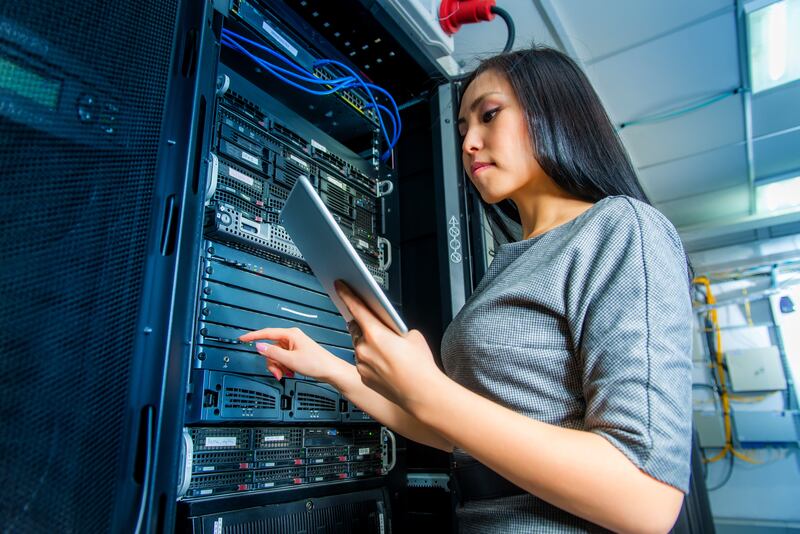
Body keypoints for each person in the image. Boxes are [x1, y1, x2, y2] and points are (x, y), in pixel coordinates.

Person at [240, 47, 693, 533]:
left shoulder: (622, 229)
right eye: (461, 131)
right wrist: (333, 370)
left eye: (489, 115)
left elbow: (646, 499)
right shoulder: (510, 262)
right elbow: (459, 432)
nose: (470, 143)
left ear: (555, 112)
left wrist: (429, 388)